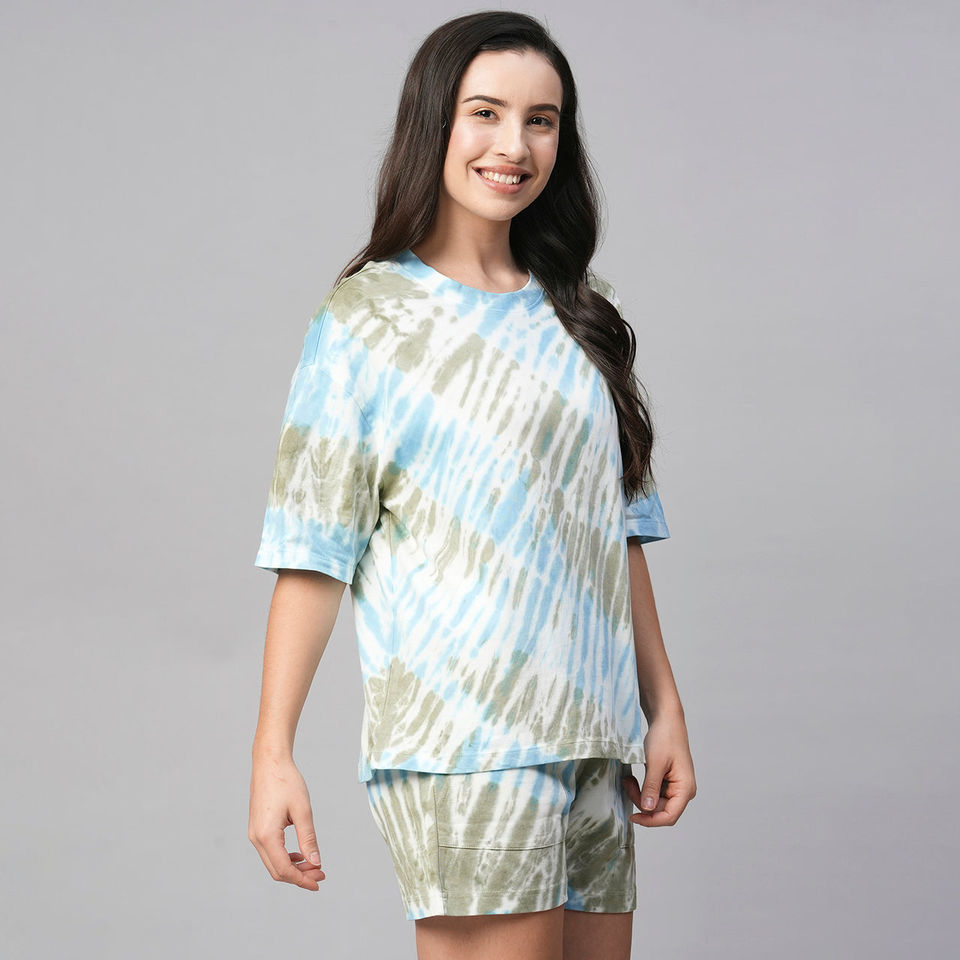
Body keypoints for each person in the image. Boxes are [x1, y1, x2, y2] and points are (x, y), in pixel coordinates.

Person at [248, 10, 695, 960]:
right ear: (434, 124)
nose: (514, 145)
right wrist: (273, 752)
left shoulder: (586, 314)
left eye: (542, 120)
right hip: (465, 745)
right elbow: (314, 553)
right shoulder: (368, 319)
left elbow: (615, 532)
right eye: (485, 112)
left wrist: (664, 710)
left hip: (593, 741)